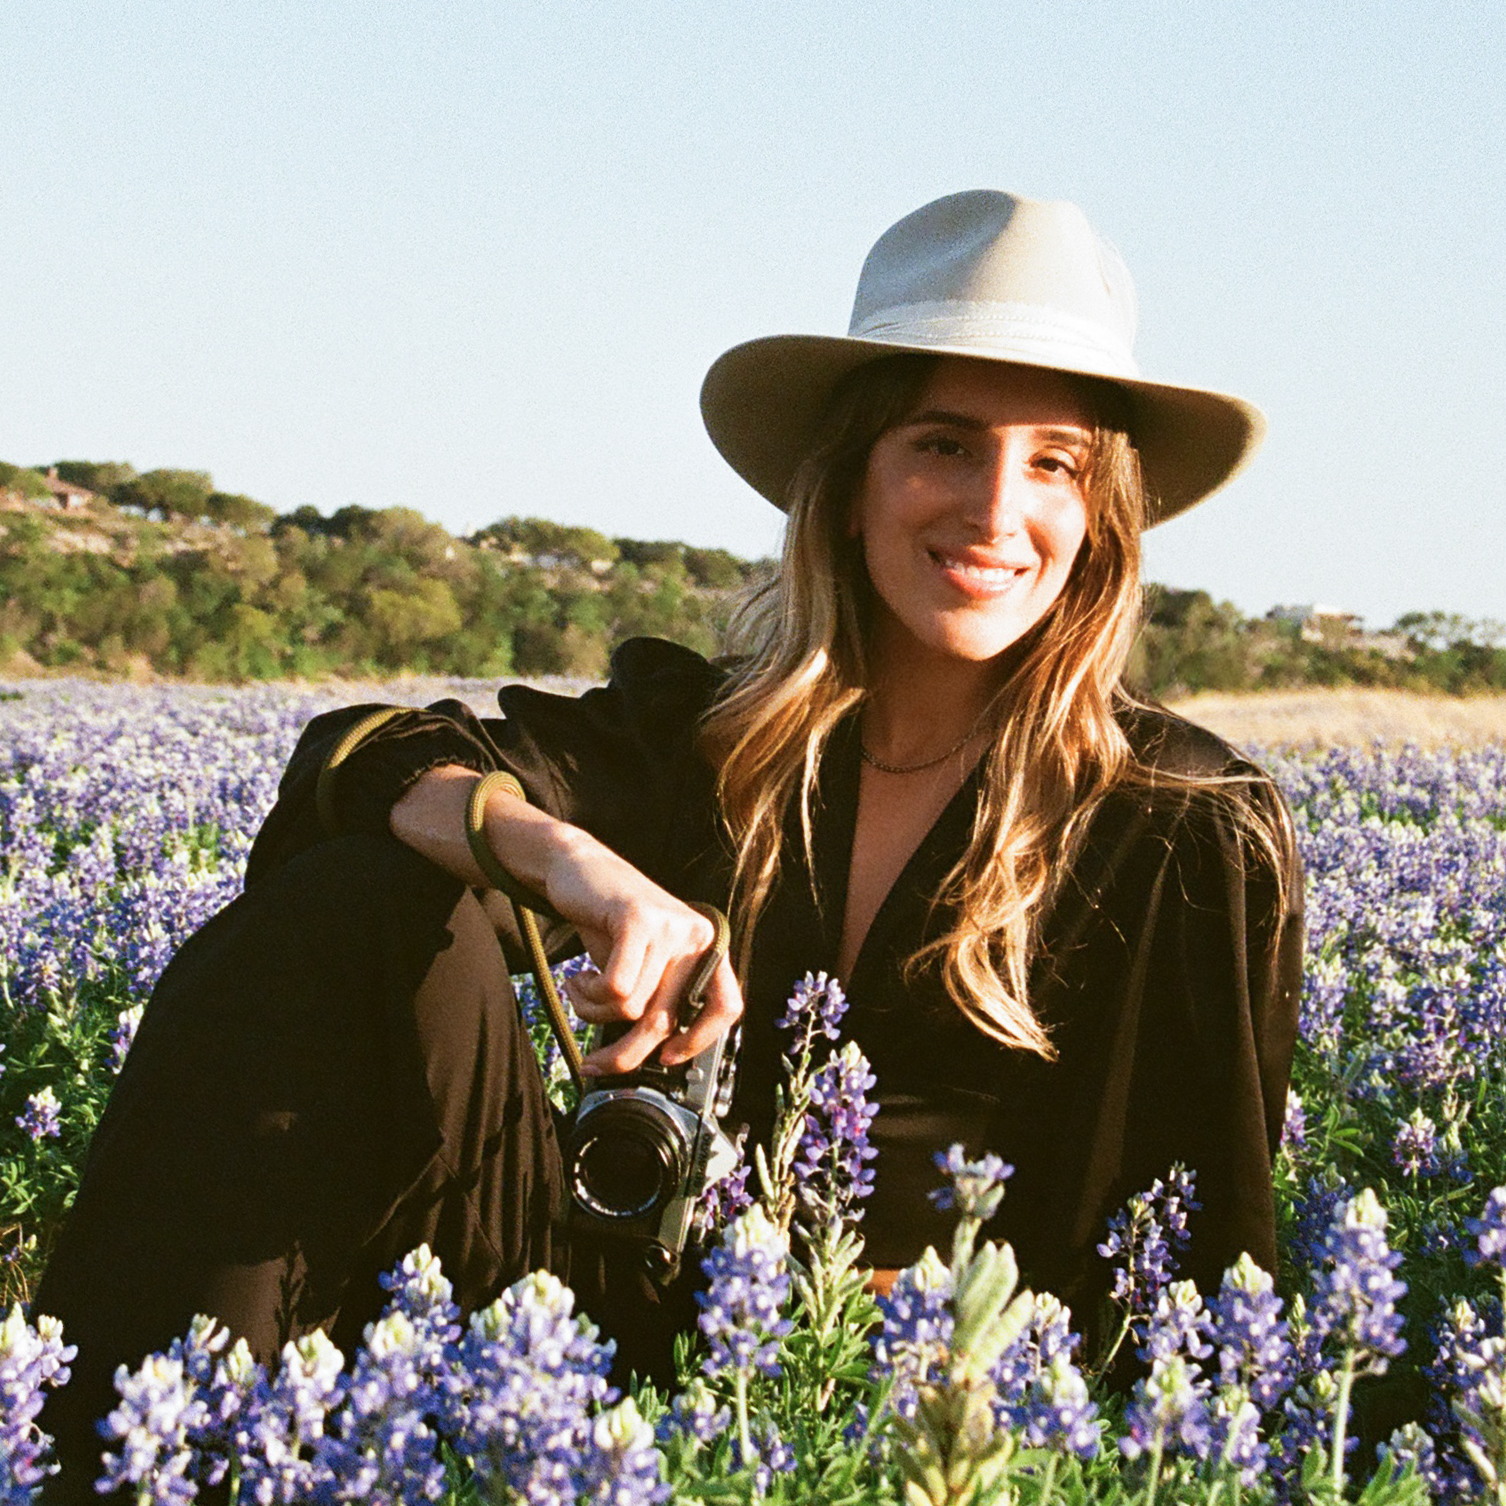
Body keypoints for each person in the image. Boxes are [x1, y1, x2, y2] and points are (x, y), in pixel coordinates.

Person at [35, 190, 1302, 1497]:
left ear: (1102, 511)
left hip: (912, 1411)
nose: (993, 507)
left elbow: (1200, 1248)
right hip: (586, 1331)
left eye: (1054, 461)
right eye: (941, 443)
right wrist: (571, 867)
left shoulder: (1184, 819)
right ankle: (136, 1462)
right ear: (852, 478)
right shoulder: (701, 735)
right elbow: (355, 762)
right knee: (362, 899)